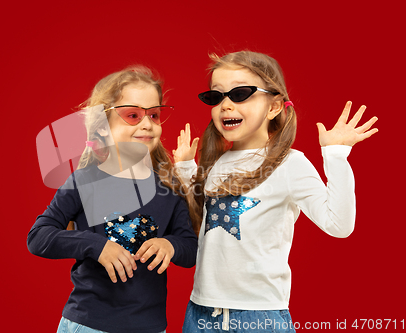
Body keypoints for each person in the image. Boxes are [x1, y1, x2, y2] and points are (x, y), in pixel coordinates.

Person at [174, 51, 378, 332]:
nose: (225, 105)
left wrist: (336, 155)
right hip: (199, 312)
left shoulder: (290, 163)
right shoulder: (217, 160)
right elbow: (200, 218)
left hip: (258, 317)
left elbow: (339, 225)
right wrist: (186, 168)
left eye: (240, 93)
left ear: (274, 107)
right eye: (216, 96)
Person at [28, 66, 197, 333]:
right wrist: (96, 245)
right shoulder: (84, 181)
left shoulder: (169, 187)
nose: (147, 124)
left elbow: (190, 249)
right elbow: (38, 237)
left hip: (149, 327)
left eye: (154, 115)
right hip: (87, 324)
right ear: (103, 128)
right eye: (132, 115)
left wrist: (170, 244)